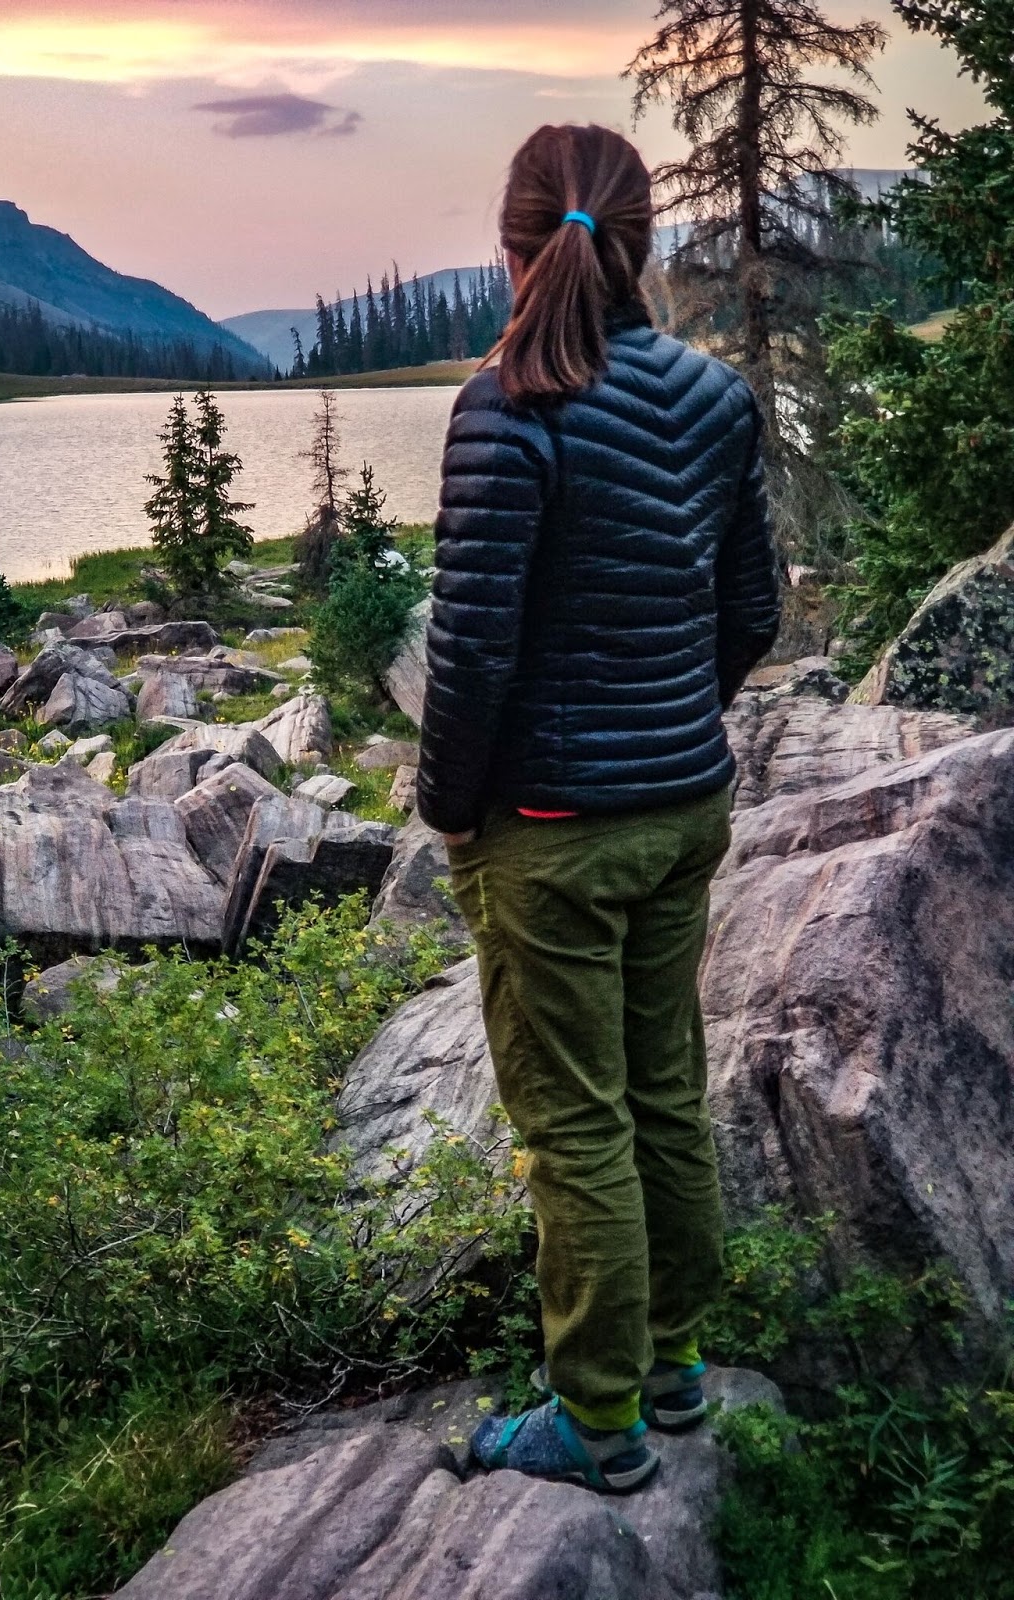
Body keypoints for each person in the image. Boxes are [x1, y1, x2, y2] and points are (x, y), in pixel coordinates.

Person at [416, 123, 780, 1494]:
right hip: (681, 808)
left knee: (575, 1127)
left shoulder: (506, 409)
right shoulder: (714, 398)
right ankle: (672, 1368)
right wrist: (674, 712)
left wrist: (456, 815)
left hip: (554, 834)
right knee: (663, 1097)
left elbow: (472, 657)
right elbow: (749, 612)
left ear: (512, 248)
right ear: (644, 242)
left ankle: (601, 1424)